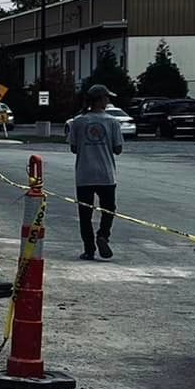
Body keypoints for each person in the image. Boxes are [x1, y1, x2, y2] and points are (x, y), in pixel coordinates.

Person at [66, 84, 126, 260]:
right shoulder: (112, 122)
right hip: (106, 174)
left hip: (84, 174)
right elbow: (118, 149)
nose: (108, 101)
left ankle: (89, 249)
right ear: (100, 100)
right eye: (107, 98)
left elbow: (74, 148)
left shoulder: (78, 121)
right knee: (109, 209)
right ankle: (103, 235)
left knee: (85, 214)